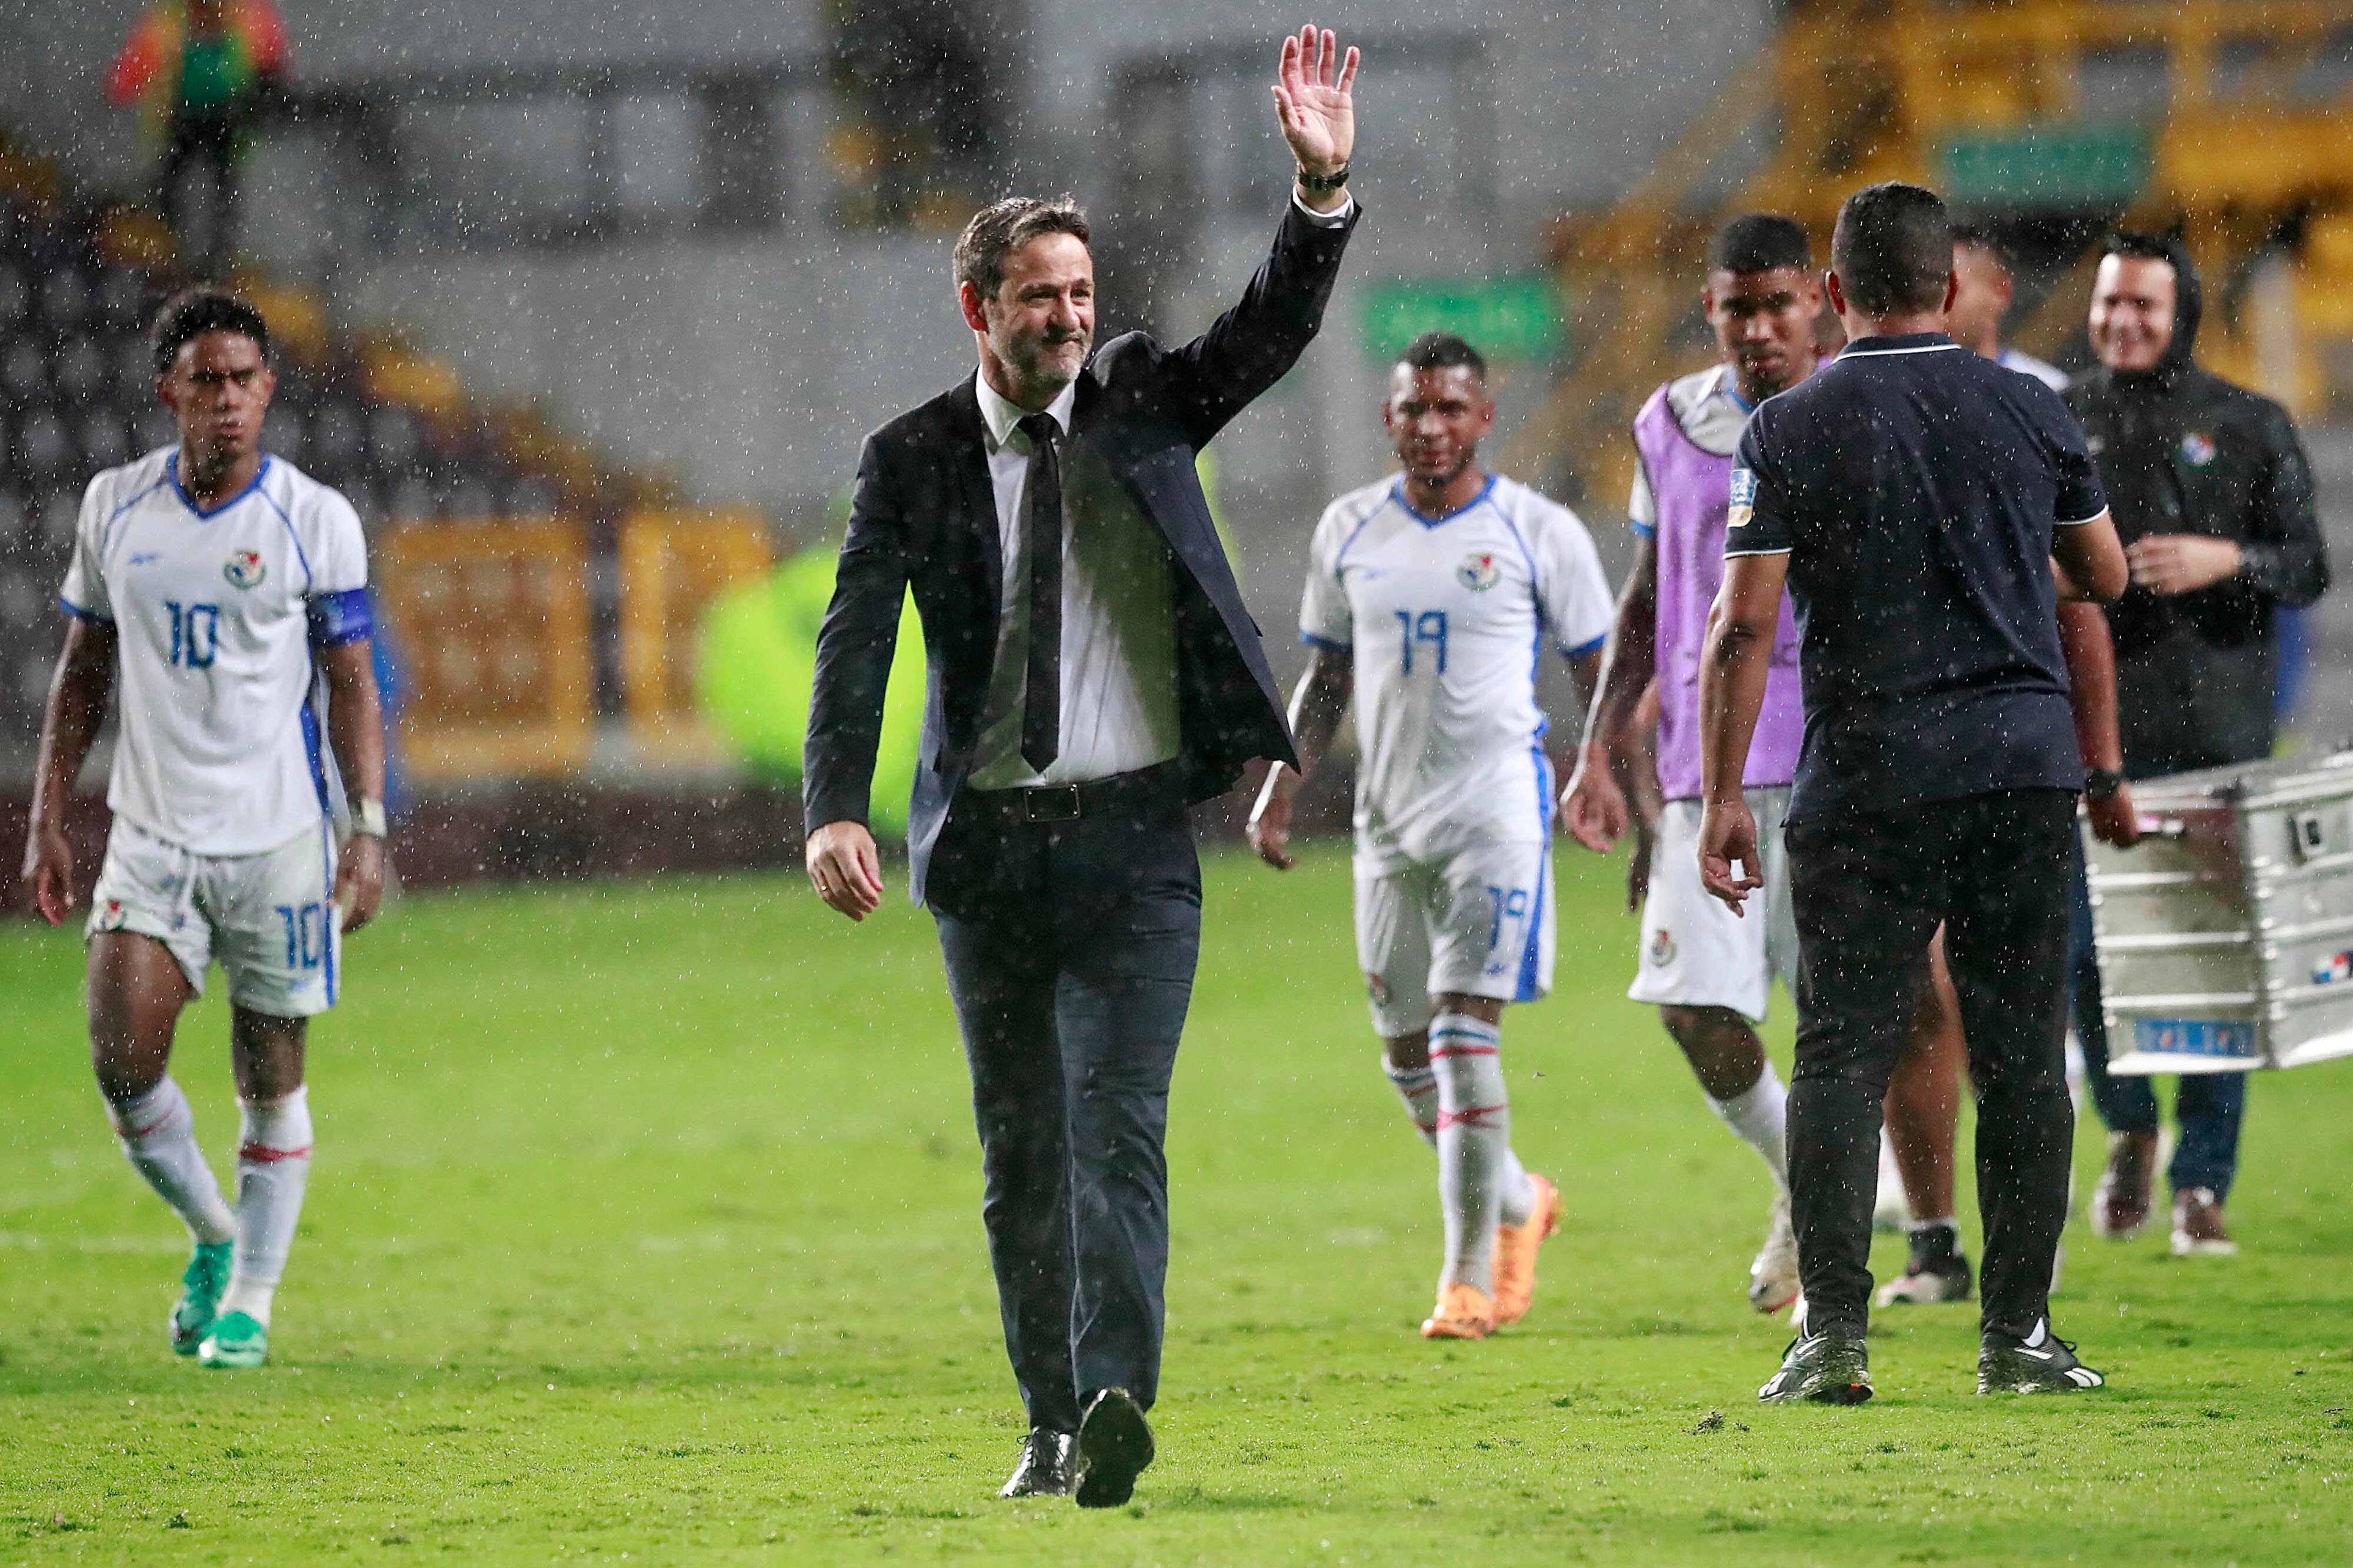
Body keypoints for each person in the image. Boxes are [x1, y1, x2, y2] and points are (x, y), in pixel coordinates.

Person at [801, 26, 1360, 1508]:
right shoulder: (907, 457)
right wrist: (831, 809)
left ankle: (1114, 1393)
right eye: (1037, 296)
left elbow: (1266, 330)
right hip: (984, 854)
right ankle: (1047, 1413)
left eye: (1080, 293)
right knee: (1019, 1154)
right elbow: (854, 641)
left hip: (1129, 848)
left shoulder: (1141, 402)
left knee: (1117, 1126)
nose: (1063, 316)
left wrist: (1316, 197)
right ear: (976, 306)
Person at [1698, 182, 2127, 1403]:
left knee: (1837, 1054)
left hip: (1864, 775)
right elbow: (2096, 574)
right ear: (1948, 287)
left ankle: (1831, 1334)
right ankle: (2017, 1338)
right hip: (2014, 767)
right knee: (2020, 1061)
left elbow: (1743, 626)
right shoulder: (2026, 408)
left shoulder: (1786, 427)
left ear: (1831, 296)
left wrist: (1724, 793)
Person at [18, 288, 386, 1371]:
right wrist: (48, 817)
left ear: (270, 390)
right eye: (207, 380)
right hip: (153, 838)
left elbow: (351, 683)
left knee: (270, 1072)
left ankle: (252, 1307)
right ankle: (220, 1240)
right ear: (167, 390)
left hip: (279, 842)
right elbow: (82, 673)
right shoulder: (114, 508)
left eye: (246, 380)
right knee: (123, 1062)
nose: (228, 401)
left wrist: (366, 828)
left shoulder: (313, 519)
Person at [1248, 332, 1612, 1342]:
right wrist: (1282, 785)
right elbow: (1327, 678)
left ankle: (1465, 1282)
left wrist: (1603, 774)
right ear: (1389, 418)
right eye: (1415, 409)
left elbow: (1603, 670)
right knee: (1407, 1055)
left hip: (1497, 813)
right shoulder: (1350, 529)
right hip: (1387, 823)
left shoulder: (1539, 531)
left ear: (1484, 418)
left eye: (1452, 409)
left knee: (1460, 1038)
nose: (1433, 426)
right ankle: (1518, 1202)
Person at [1561, 213, 1821, 1317]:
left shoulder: (1852, 415)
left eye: (1777, 304)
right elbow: (1647, 597)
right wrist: (1595, 752)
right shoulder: (1667, 421)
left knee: (1849, 1019)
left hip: (1828, 757)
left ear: (1819, 300)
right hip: (1697, 770)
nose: (1758, 328)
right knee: (1691, 1011)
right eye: (1737, 307)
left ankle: (1856, 1259)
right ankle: (1809, 1193)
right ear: (1708, 308)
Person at [2067, 232, 2331, 1256]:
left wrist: (2228, 559)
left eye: (2144, 305)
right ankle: (2131, 1126)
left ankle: (2202, 1184)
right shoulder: (2061, 417)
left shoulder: (2250, 422)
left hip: (2220, 733)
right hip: (2098, 739)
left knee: (2219, 963)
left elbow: (2308, 567)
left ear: (2184, 315)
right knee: (2090, 960)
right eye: (2110, 303)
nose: (2123, 322)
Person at [108, 0, 291, 278]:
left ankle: (215, 262)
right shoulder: (169, 22)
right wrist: (125, 84)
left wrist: (264, 94)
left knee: (221, 196)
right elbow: (134, 69)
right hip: (181, 121)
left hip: (226, 122)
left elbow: (272, 61)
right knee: (174, 189)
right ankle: (172, 253)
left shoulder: (246, 17)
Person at [1946, 225, 2068, 390]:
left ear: (2001, 290)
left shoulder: (2046, 391)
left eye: (1952, 291)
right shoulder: (1910, 386)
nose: (1937, 307)